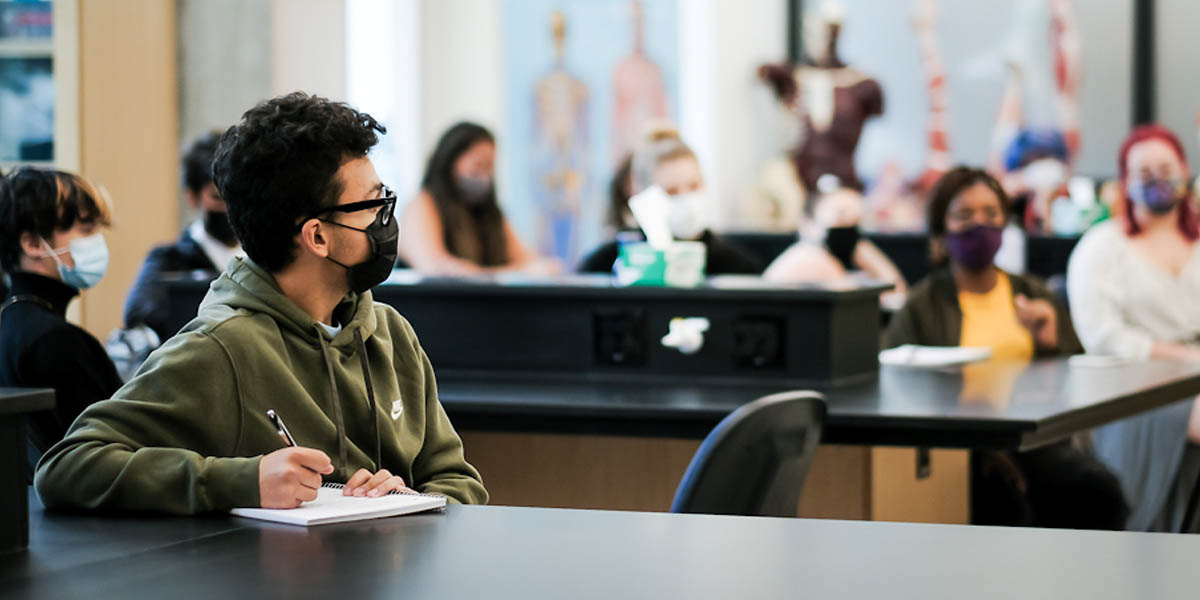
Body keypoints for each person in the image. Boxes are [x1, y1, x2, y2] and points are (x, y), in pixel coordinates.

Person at [35, 92, 487, 513]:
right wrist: (241, 480)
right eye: (371, 205)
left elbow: (459, 481)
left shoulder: (391, 333)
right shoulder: (223, 348)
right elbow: (67, 465)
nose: (385, 218)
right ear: (317, 236)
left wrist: (415, 502)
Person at [885, 166, 1127, 529]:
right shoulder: (922, 306)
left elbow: (1073, 382)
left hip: (1032, 441)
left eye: (991, 213)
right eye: (964, 215)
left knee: (1098, 491)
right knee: (1005, 506)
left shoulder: (1033, 294)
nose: (979, 225)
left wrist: (1048, 343)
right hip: (959, 450)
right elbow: (895, 387)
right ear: (941, 228)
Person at [1067, 124, 1200, 532]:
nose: (1158, 178)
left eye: (1166, 167)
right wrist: (1185, 357)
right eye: (1144, 171)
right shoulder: (1101, 248)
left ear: (1185, 170)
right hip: (1135, 392)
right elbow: (1102, 336)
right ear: (1125, 182)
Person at [0, 167, 123, 477]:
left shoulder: (12, 322)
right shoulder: (56, 341)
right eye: (85, 229)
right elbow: (109, 457)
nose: (97, 243)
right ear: (33, 243)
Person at [578, 127, 761, 275]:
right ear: (643, 197)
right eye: (671, 191)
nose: (686, 199)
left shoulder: (737, 267)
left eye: (694, 187)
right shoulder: (606, 265)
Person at [123, 130, 244, 344]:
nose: (228, 207)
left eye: (235, 196)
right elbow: (140, 314)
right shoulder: (168, 261)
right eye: (217, 197)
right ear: (192, 197)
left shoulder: (267, 256)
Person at [399, 122, 560, 276]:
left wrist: (537, 268)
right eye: (478, 165)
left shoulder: (488, 212)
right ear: (450, 162)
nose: (484, 176)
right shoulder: (422, 205)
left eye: (489, 167)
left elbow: (527, 261)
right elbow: (435, 267)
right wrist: (514, 273)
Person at [763, 184, 907, 302]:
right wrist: (867, 254)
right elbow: (893, 298)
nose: (849, 228)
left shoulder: (817, 257)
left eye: (856, 221)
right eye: (841, 217)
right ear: (807, 223)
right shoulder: (810, 257)